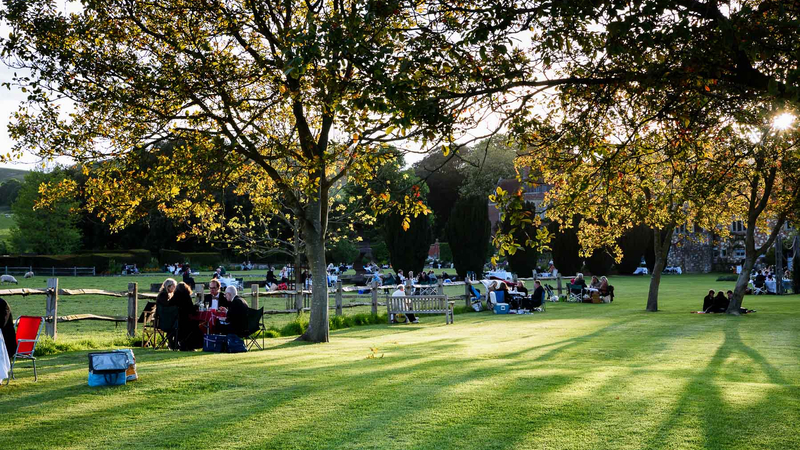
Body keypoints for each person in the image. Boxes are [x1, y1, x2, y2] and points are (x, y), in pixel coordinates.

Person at [169, 282, 202, 350]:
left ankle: (181, 343)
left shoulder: (174, 297)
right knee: (196, 324)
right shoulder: (186, 297)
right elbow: (191, 310)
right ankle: (190, 344)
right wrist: (196, 307)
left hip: (174, 322)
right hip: (185, 321)